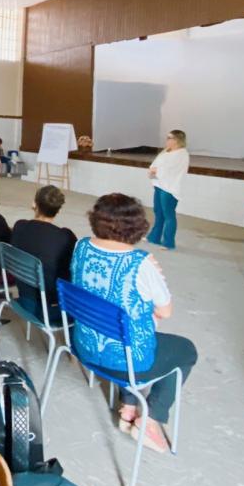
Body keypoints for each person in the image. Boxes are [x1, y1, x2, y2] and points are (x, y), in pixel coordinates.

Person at [70, 193, 197, 454]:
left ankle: (128, 405)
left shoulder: (81, 246)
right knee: (186, 350)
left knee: (116, 324)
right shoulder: (140, 264)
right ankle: (153, 417)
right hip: (128, 361)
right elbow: (166, 310)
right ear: (137, 226)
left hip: (84, 346)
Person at [10, 185, 77, 322]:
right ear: (58, 210)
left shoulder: (19, 226)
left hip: (24, 287)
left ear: (34, 204)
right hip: (51, 296)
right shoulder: (65, 237)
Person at [146, 130, 190, 250]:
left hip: (169, 188)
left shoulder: (182, 154)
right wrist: (153, 170)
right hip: (159, 185)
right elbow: (155, 164)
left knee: (168, 215)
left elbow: (171, 170)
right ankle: (154, 237)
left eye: (169, 138)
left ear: (177, 140)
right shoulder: (166, 151)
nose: (167, 140)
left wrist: (157, 170)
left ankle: (168, 242)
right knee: (158, 212)